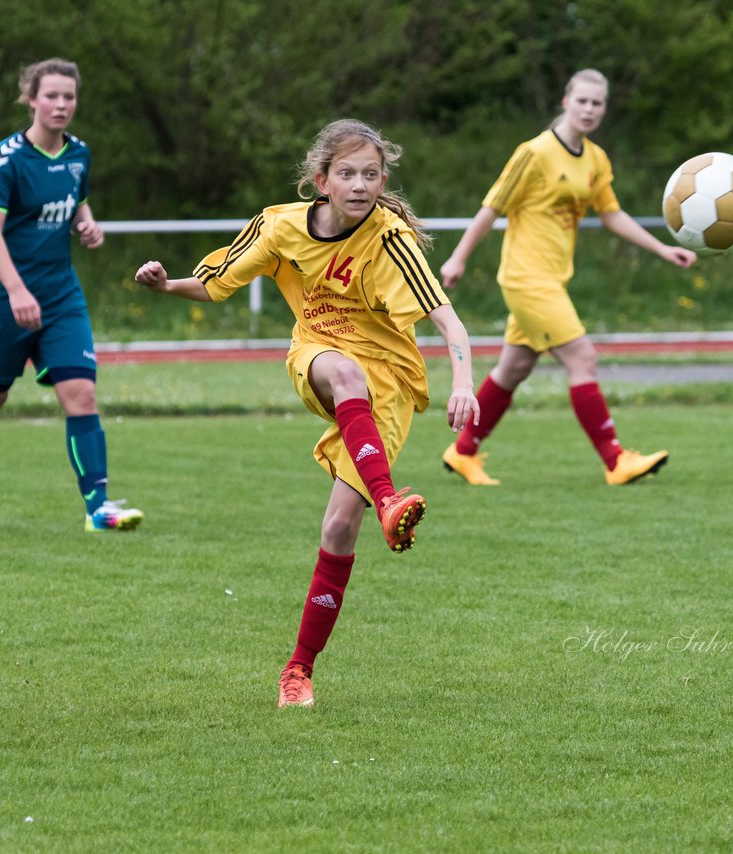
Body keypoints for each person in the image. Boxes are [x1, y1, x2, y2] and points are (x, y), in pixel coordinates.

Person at [135, 119, 480, 709]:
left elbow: (449, 322)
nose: (359, 184)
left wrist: (465, 383)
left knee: (339, 529)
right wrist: (167, 287)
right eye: (346, 173)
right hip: (318, 357)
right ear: (320, 181)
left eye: (370, 174)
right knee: (343, 372)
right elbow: (216, 284)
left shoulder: (390, 238)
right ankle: (390, 497)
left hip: (389, 383)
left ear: (382, 180)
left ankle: (298, 670)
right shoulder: (278, 227)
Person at [439, 68, 697, 487]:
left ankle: (463, 450)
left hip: (553, 280)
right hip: (526, 278)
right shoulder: (535, 152)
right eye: (582, 101)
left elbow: (611, 215)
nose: (589, 109)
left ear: (604, 109)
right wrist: (458, 258)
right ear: (565, 101)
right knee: (583, 358)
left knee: (513, 369)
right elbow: (492, 207)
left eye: (598, 103)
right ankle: (616, 461)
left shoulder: (595, 159)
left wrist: (662, 248)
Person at [0, 58, 143, 534]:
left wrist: (86, 222)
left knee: (82, 393)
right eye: (51, 95)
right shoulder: (7, 158)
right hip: (2, 298)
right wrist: (15, 291)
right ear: (31, 99)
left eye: (68, 96)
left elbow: (76, 201)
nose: (61, 104)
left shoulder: (79, 154)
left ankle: (98, 507)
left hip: (60, 296)